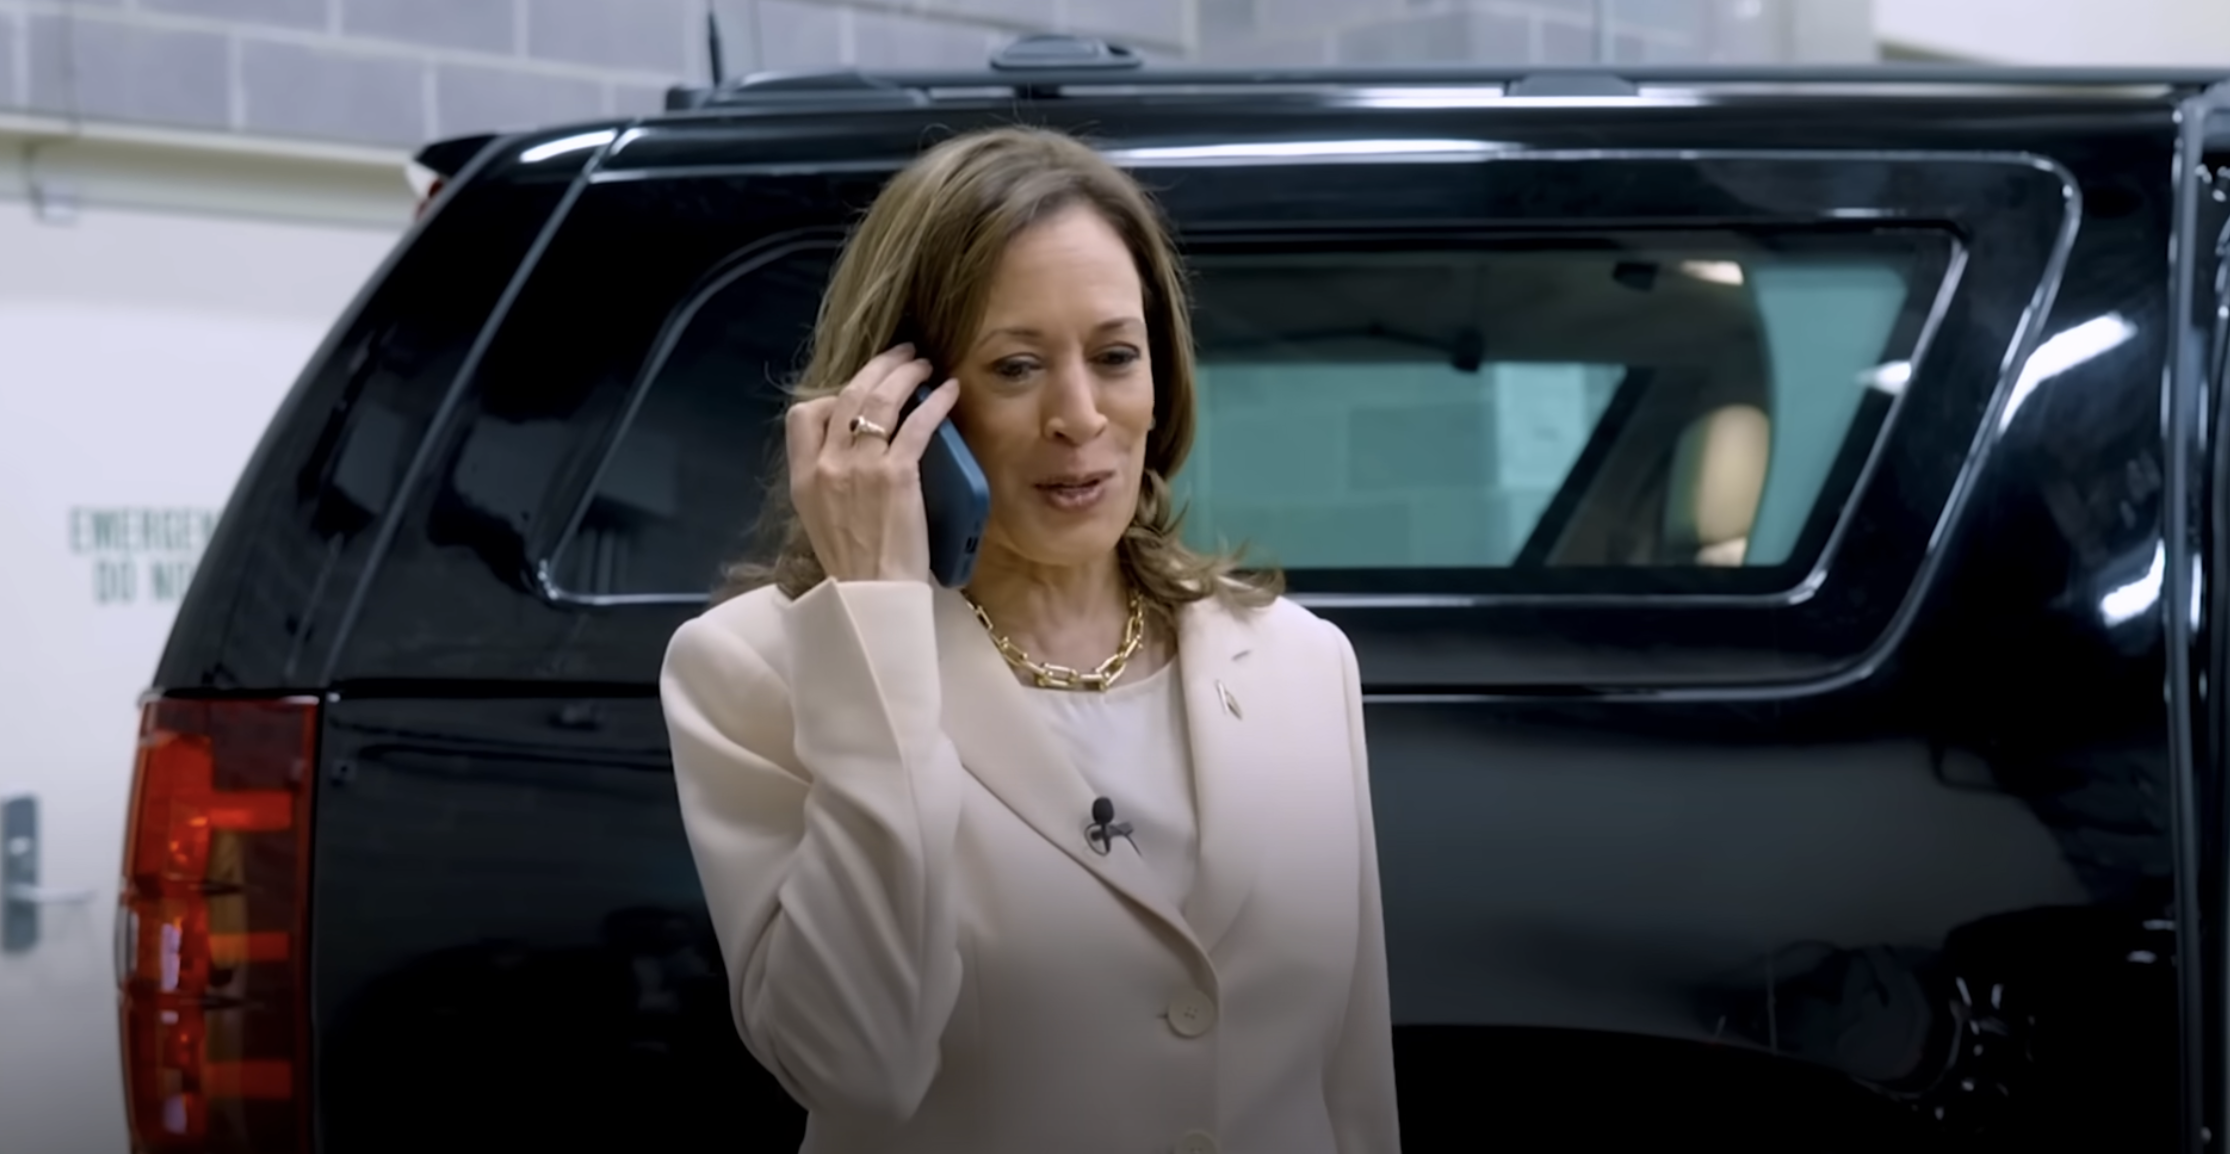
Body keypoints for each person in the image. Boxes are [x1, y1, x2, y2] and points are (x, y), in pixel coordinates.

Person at [659, 125, 1400, 1154]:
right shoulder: (754, 670)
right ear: (903, 403)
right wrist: (876, 624)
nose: (1081, 415)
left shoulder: (1298, 661)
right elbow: (856, 1067)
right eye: (1016, 367)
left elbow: (1350, 1082)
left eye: (1114, 355)